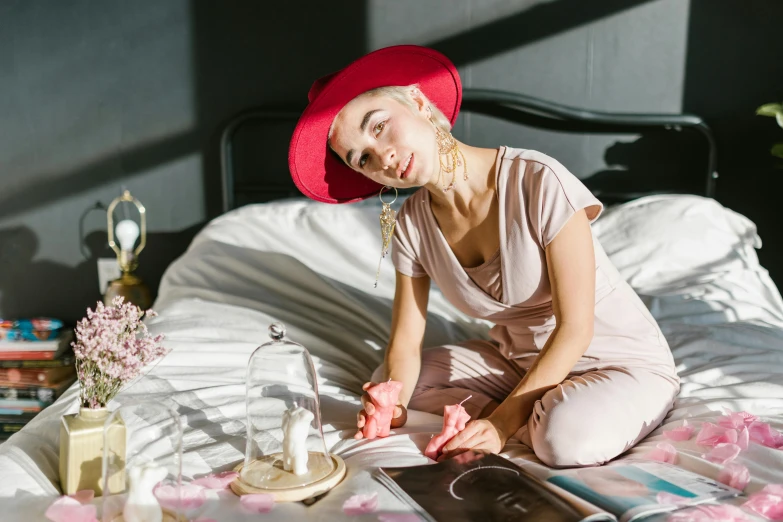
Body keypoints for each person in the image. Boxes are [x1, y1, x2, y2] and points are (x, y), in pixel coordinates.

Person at [288, 45, 680, 468]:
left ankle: (548, 413)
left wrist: (502, 424)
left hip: (614, 360)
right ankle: (537, 404)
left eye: (380, 126)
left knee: (564, 441)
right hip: (515, 362)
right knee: (395, 381)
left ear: (419, 102)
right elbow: (405, 341)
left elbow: (576, 329)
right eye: (361, 157)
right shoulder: (412, 225)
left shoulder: (537, 181)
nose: (382, 156)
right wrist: (391, 405)